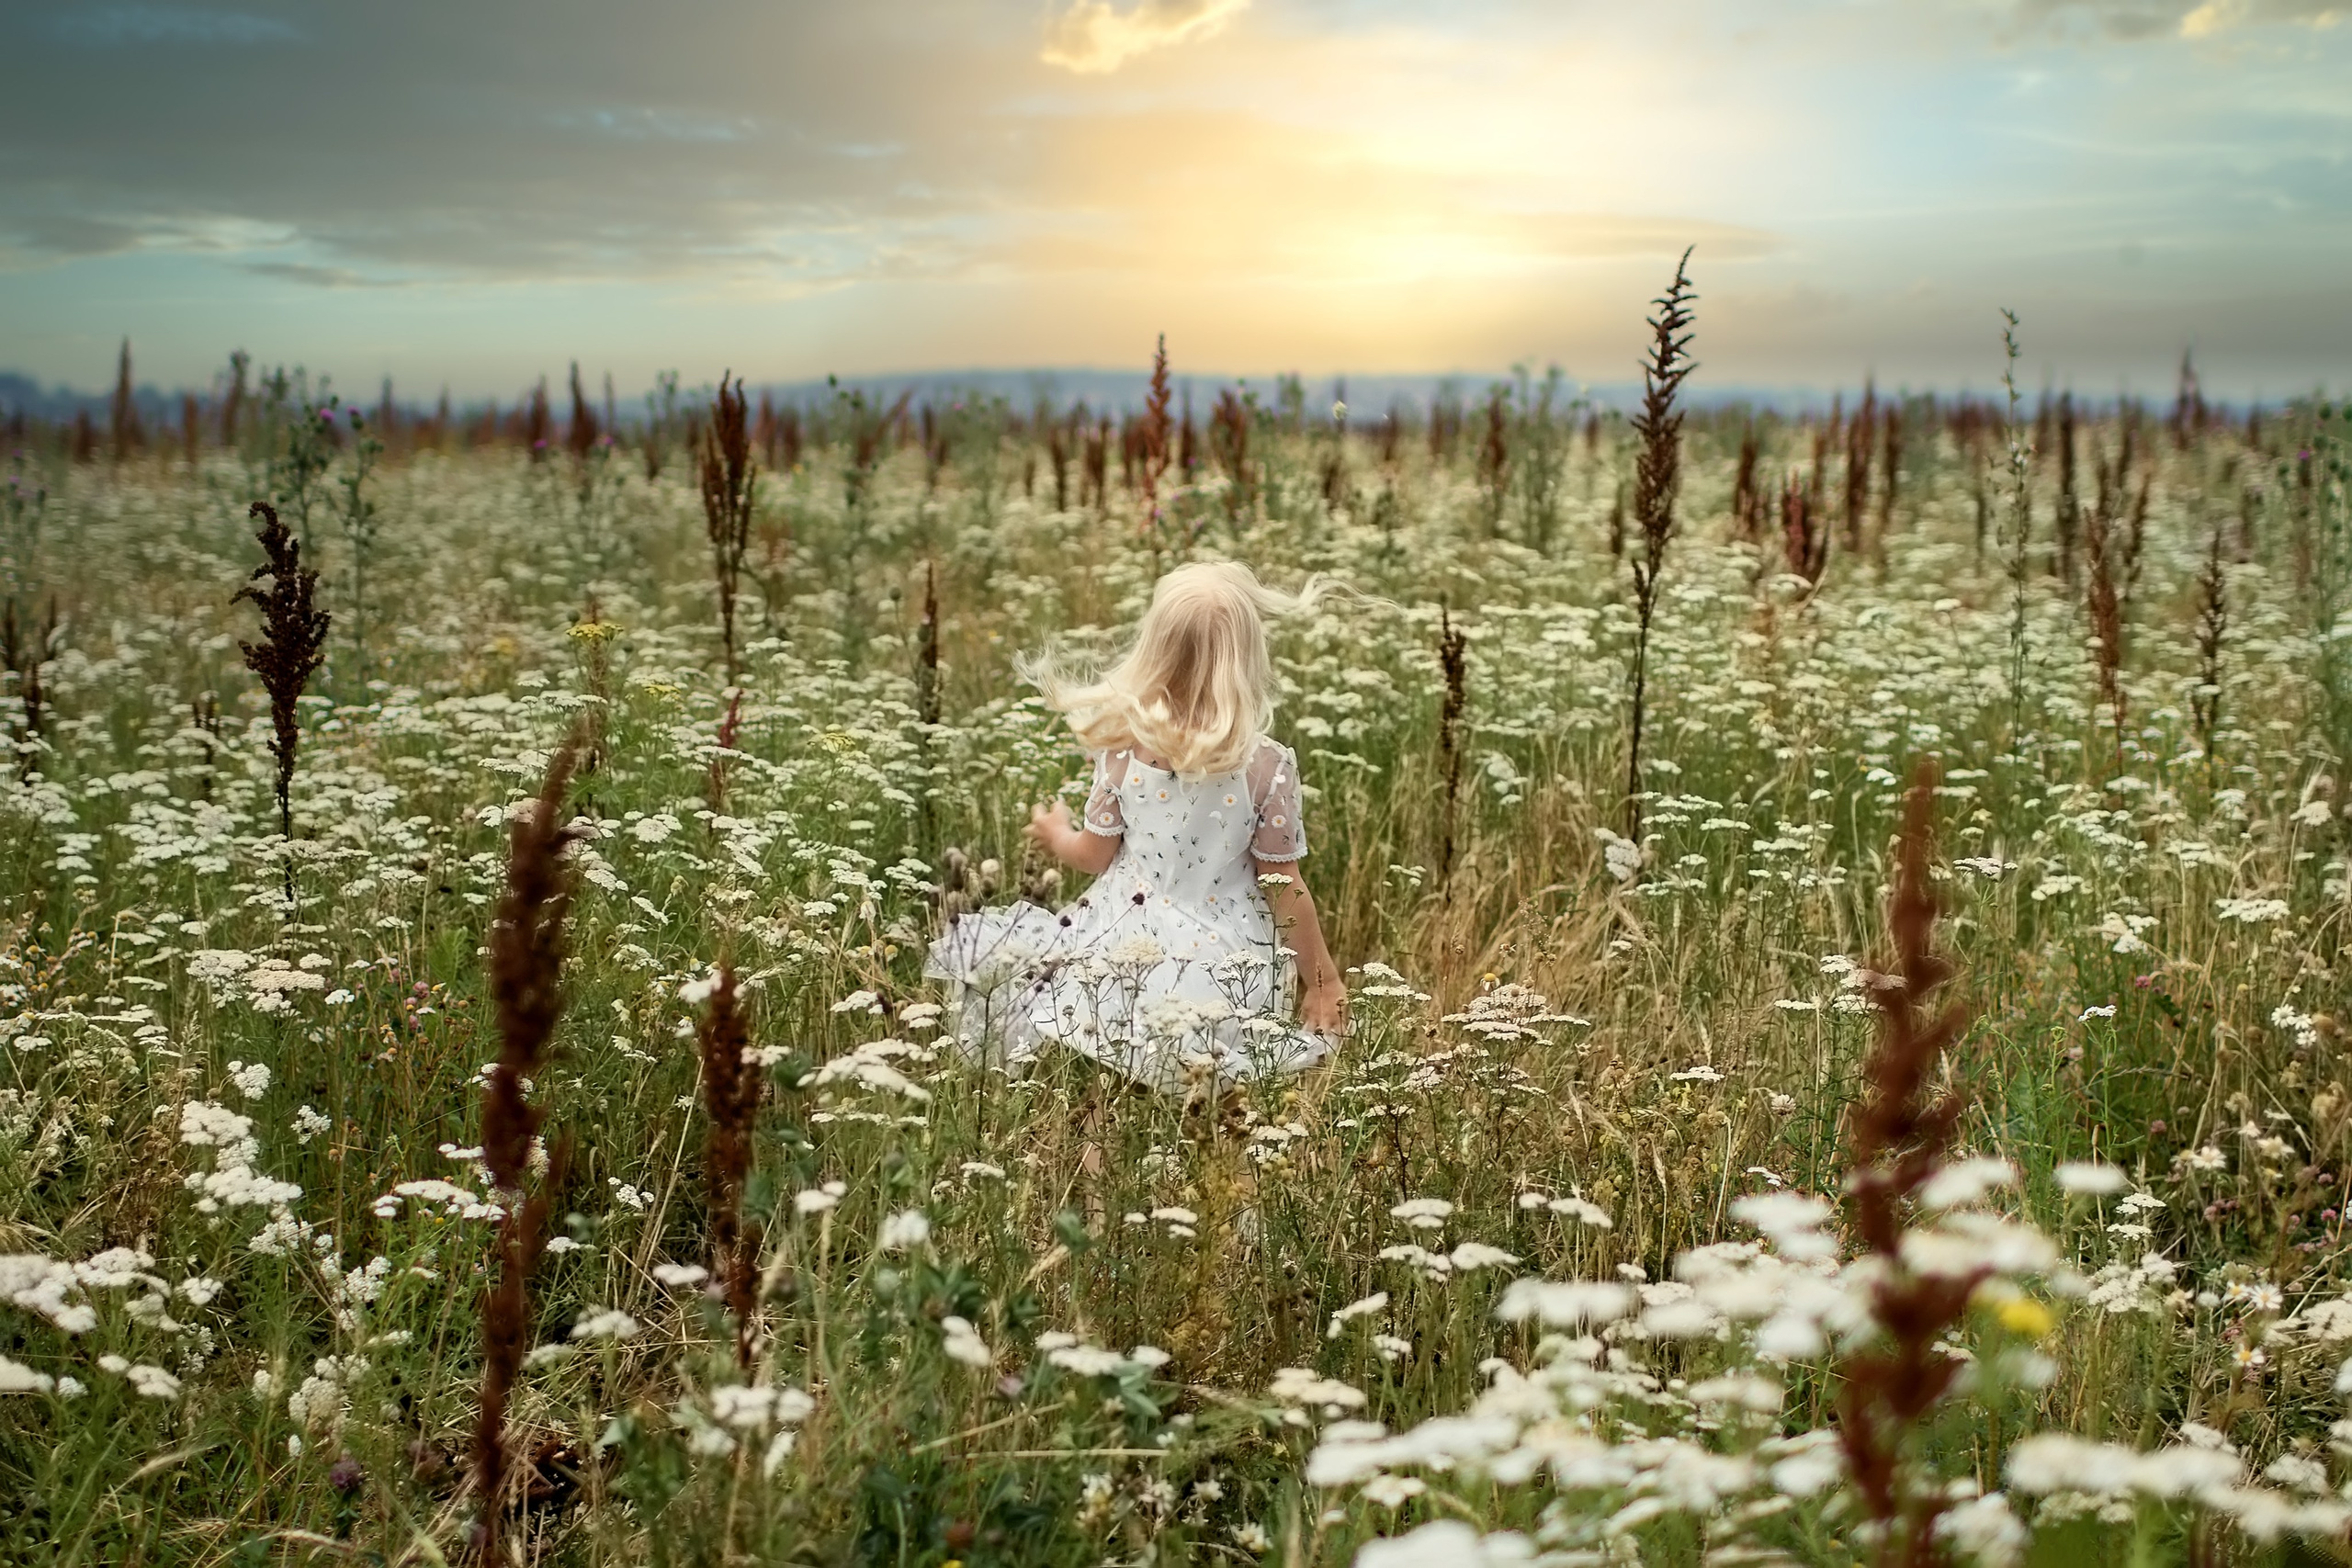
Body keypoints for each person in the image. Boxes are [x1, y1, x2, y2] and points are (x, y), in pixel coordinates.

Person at [925, 561, 1344, 1091]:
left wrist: (1057, 836)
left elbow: (1094, 856)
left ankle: (1097, 1149)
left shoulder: (1124, 752)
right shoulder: (1267, 769)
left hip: (1126, 936)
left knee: (1110, 1059)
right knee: (1214, 1076)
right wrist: (1322, 980)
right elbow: (1284, 886)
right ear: (1245, 660)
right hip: (1228, 954)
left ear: (1155, 654)